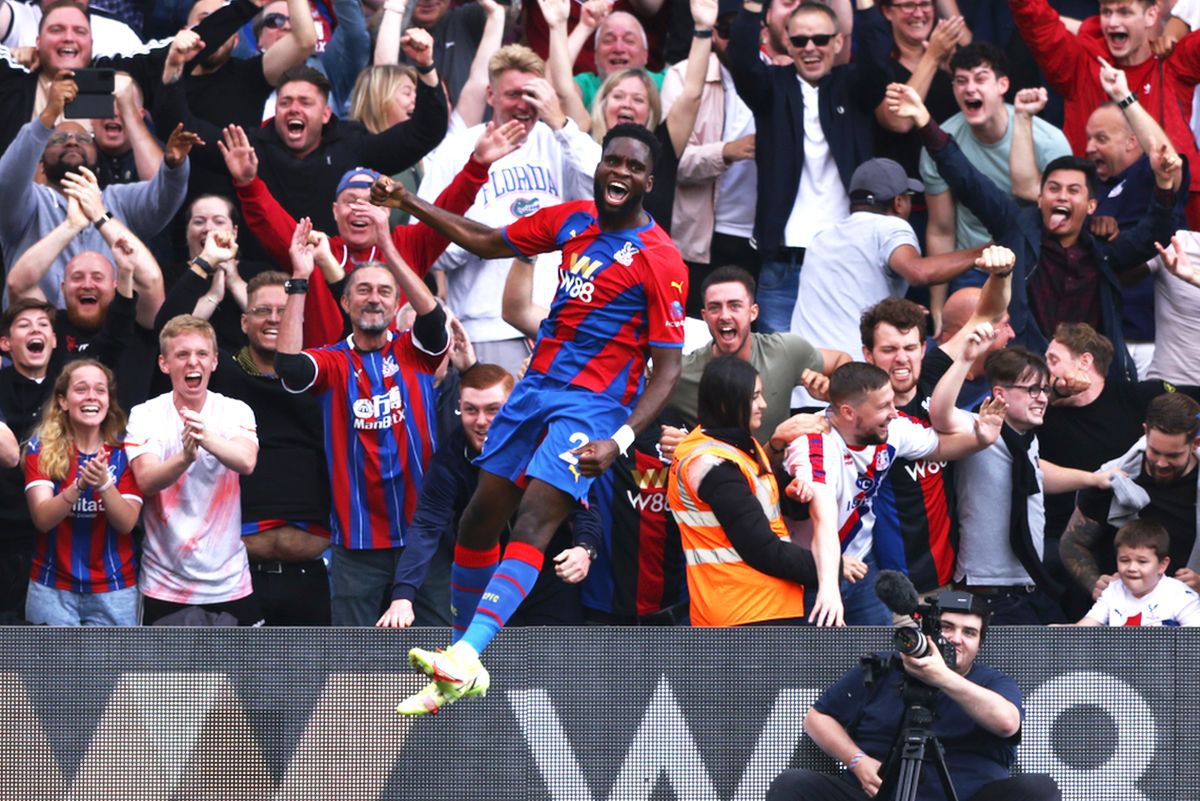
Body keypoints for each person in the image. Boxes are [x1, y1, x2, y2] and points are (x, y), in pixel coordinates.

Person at [373, 122, 688, 714]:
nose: (619, 172)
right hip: (533, 389)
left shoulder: (661, 257)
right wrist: (409, 202)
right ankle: (459, 662)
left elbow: (667, 371)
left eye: (633, 166)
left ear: (649, 180)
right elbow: (488, 240)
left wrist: (619, 441)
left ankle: (466, 656)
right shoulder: (572, 219)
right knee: (476, 523)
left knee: (536, 519)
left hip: (592, 406)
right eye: (611, 161)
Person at [888, 81, 1181, 383]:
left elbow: (1153, 236)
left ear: (1091, 204)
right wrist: (923, 120)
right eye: (1053, 188)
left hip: (1091, 381)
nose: (1062, 197)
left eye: (1073, 190)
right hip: (1025, 378)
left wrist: (1163, 183)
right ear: (1040, 199)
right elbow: (968, 180)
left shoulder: (1101, 249)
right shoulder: (1015, 227)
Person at [274, 219, 449, 626]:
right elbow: (288, 367)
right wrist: (300, 277)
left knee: (440, 654)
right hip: (358, 541)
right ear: (345, 303)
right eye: (363, 291)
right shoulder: (333, 362)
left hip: (424, 536)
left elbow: (434, 318)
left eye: (385, 292)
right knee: (354, 662)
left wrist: (387, 245)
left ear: (396, 304)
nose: (374, 299)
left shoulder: (416, 353)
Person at [223, 117, 525, 349]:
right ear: (334, 211)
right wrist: (248, 184)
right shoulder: (318, 249)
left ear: (388, 211)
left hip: (400, 377)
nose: (359, 209)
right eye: (350, 202)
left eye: (371, 202)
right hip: (333, 376)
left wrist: (478, 165)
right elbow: (273, 223)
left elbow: (449, 209)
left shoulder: (409, 242)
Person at [765, 591, 1061, 801]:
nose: (956, 639)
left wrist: (942, 678)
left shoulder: (992, 681)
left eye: (969, 632)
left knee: (1039, 789)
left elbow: (1007, 722)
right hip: (881, 792)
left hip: (969, 793)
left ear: (979, 643)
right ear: (929, 631)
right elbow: (816, 717)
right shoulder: (885, 667)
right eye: (947, 627)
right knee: (794, 785)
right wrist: (856, 760)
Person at [783, 356, 1006, 626]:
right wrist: (828, 587)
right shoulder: (814, 445)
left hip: (861, 562)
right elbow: (824, 522)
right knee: (820, 664)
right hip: (810, 571)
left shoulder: (892, 427)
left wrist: (982, 439)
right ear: (848, 412)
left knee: (881, 653)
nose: (893, 411)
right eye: (883, 406)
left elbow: (937, 447)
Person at [727, 0, 890, 333]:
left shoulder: (854, 87)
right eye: (800, 40)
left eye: (821, 40)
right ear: (786, 41)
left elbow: (877, 61)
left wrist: (868, 6)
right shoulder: (771, 88)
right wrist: (751, 8)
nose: (810, 48)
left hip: (847, 260)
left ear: (839, 42)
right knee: (781, 375)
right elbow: (742, 62)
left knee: (850, 367)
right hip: (784, 262)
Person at [931, 344, 1119, 624]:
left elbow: (1036, 476)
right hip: (989, 590)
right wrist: (966, 357)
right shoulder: (977, 427)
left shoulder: (1027, 439)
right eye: (1033, 389)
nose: (1043, 398)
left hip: (1029, 586)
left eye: (1045, 390)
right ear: (999, 394)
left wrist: (1092, 478)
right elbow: (939, 413)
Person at [789, 156, 985, 408]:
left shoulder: (822, 237)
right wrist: (986, 250)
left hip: (805, 393)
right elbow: (918, 272)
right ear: (899, 201)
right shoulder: (891, 227)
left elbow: (852, 293)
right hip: (858, 395)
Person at [0, 72, 192, 308]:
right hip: (41, 332)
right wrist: (47, 117)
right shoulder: (27, 202)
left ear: (96, 155)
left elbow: (163, 199)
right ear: (39, 159)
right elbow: (7, 181)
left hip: (110, 332)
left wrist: (174, 166)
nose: (72, 142)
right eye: (59, 139)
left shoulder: (117, 199)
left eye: (82, 138)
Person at [1007, 0, 1200, 228]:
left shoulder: (1173, 64)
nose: (1113, 22)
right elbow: (1034, 18)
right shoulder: (1081, 62)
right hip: (1094, 217)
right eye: (1106, 12)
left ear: (1151, 15)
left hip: (1175, 216)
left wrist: (1177, 26)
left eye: (1125, 12)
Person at [126, 315, 261, 626]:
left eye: (201, 354)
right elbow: (146, 479)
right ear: (164, 363)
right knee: (166, 677)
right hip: (165, 583)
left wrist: (205, 437)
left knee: (239, 676)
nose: (193, 363)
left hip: (230, 580)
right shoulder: (145, 414)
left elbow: (246, 461)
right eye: (182, 354)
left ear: (214, 361)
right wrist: (185, 457)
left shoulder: (235, 410)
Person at [667, 356, 819, 626]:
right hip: (744, 612)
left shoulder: (741, 445)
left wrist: (794, 497)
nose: (764, 405)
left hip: (762, 605)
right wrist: (830, 567)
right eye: (755, 397)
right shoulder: (713, 465)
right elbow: (761, 548)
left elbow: (773, 506)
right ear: (728, 403)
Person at [918, 43, 1071, 304]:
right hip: (975, 268)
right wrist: (939, 309)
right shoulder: (940, 143)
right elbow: (941, 230)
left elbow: (1064, 215)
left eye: (980, 79)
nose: (969, 88)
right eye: (961, 81)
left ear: (1002, 85)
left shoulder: (1049, 141)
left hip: (1034, 263)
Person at [665, 265, 847, 446]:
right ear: (704, 316)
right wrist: (677, 440)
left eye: (735, 306)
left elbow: (842, 359)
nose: (724, 315)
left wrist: (834, 392)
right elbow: (647, 397)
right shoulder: (681, 373)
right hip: (713, 470)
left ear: (753, 312)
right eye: (715, 308)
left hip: (777, 470)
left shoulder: (785, 351)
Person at [23, 359, 142, 626]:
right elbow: (42, 519)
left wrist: (103, 484)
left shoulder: (126, 450)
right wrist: (77, 486)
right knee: (52, 670)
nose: (92, 396)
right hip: (51, 587)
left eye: (100, 390)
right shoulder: (39, 448)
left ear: (109, 400)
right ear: (63, 401)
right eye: (81, 389)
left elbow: (126, 523)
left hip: (115, 589)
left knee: (109, 670)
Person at [1060, 392, 1200, 601]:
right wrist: (1096, 585)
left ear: (1195, 443)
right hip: (1122, 616)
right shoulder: (1112, 479)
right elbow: (1072, 544)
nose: (1161, 463)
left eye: (1173, 456)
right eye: (1154, 451)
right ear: (1145, 432)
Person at [1067, 519, 1200, 626]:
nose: (1132, 568)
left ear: (1162, 565)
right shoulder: (1112, 591)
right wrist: (1058, 630)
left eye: (1142, 562)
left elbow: (1193, 641)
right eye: (1124, 560)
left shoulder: (1180, 595)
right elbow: (1085, 627)